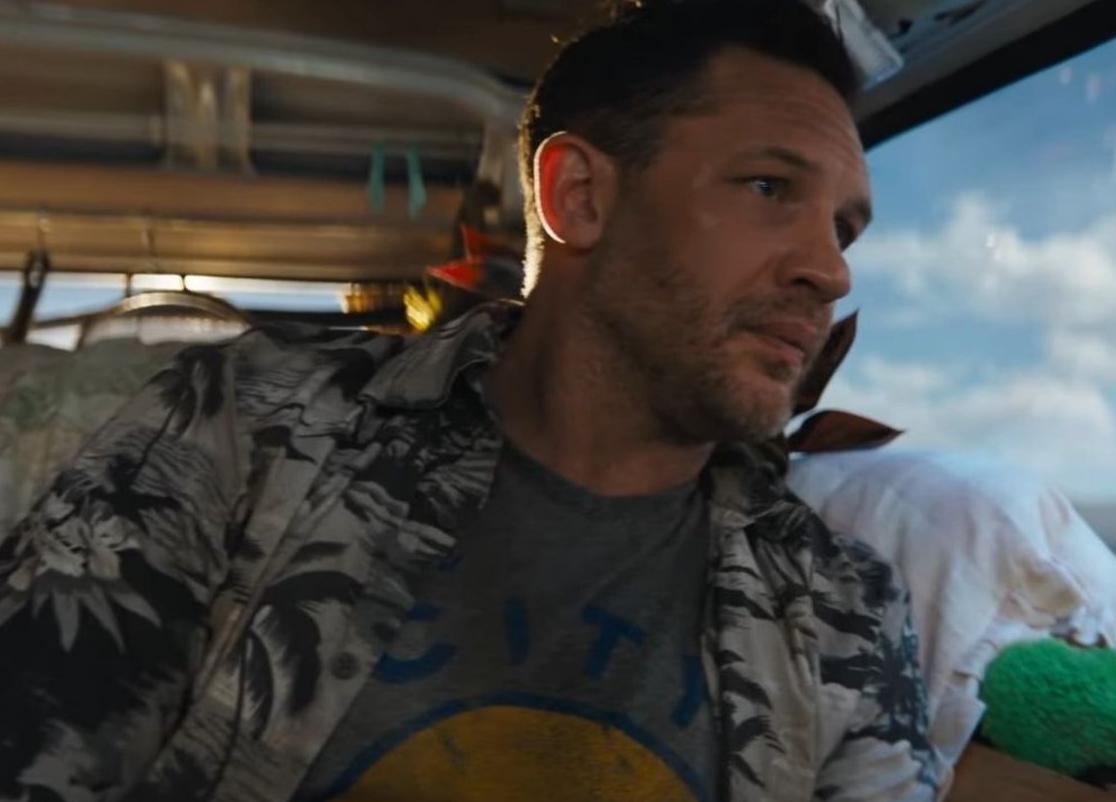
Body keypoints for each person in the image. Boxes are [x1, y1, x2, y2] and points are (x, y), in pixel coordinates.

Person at [0, 1, 937, 800]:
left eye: (844, 229)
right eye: (769, 186)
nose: (831, 271)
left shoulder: (843, 606)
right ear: (579, 196)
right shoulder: (244, 424)